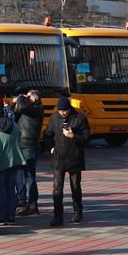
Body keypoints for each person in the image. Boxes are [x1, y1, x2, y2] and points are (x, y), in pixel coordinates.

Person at [43, 97, 91, 226]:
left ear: (69, 109)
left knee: (75, 186)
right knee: (57, 188)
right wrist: (51, 148)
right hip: (58, 158)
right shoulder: (54, 118)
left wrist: (73, 136)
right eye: (60, 111)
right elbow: (47, 134)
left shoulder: (79, 118)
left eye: (65, 111)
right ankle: (58, 216)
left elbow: (87, 137)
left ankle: (78, 212)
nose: (62, 113)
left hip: (74, 158)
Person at [0, 104, 26, 225]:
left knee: (1, 189)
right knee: (11, 188)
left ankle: (1, 216)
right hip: (15, 161)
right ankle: (11, 216)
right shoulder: (15, 126)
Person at [15, 90, 45, 216]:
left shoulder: (37, 109)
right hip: (22, 144)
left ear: (34, 99)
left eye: (28, 96)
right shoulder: (29, 109)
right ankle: (24, 203)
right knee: (23, 176)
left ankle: (33, 205)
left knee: (29, 177)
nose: (25, 98)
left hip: (29, 146)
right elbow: (16, 115)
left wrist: (20, 98)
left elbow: (22, 108)